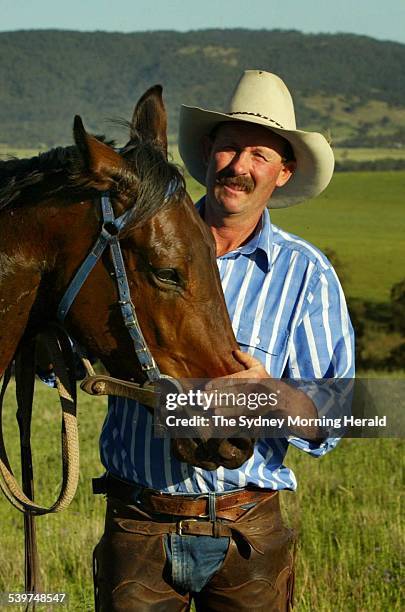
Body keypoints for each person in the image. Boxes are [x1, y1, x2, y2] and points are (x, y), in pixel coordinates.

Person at [93, 70, 355, 611]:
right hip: (141, 524)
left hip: (247, 534)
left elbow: (335, 416)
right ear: (207, 151)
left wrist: (270, 396)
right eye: (230, 148)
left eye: (260, 155)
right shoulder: (131, 251)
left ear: (284, 173)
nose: (240, 167)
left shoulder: (306, 274)